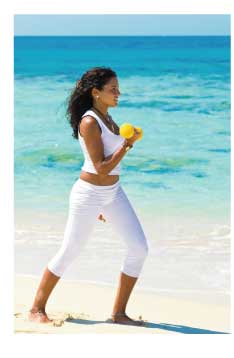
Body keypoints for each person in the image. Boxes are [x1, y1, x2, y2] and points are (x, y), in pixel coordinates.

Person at [28, 67, 149, 326]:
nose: (119, 93)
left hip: (113, 193)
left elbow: (110, 171)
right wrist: (128, 145)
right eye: (113, 89)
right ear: (96, 93)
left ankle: (118, 313)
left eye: (118, 88)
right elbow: (101, 167)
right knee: (70, 251)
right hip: (88, 195)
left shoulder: (109, 119)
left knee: (139, 248)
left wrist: (126, 142)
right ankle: (36, 308)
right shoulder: (89, 121)